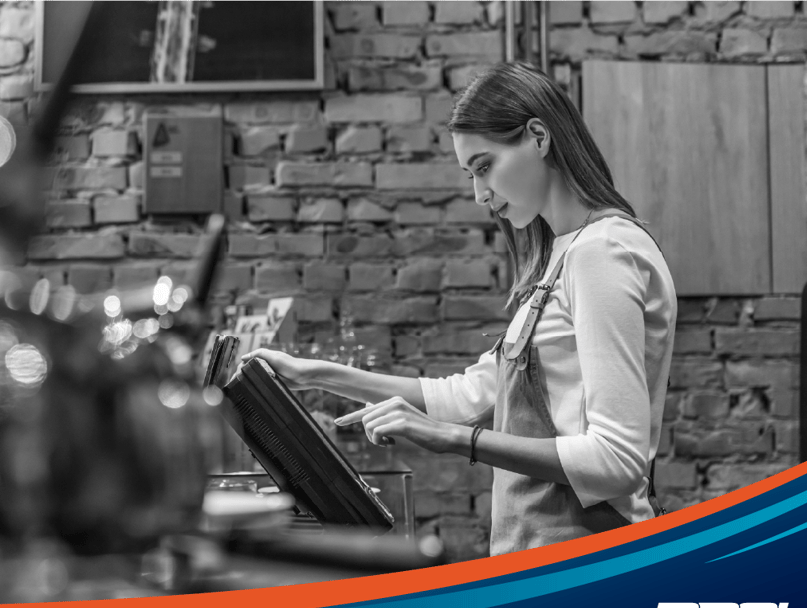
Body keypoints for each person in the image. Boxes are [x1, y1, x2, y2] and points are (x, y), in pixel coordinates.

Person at [242, 61, 676, 556]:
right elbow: (469, 395)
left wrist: (454, 440)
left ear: (538, 137)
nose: (479, 194)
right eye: (470, 174)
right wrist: (314, 374)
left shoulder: (603, 252)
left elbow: (617, 461)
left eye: (485, 166)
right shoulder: (565, 255)